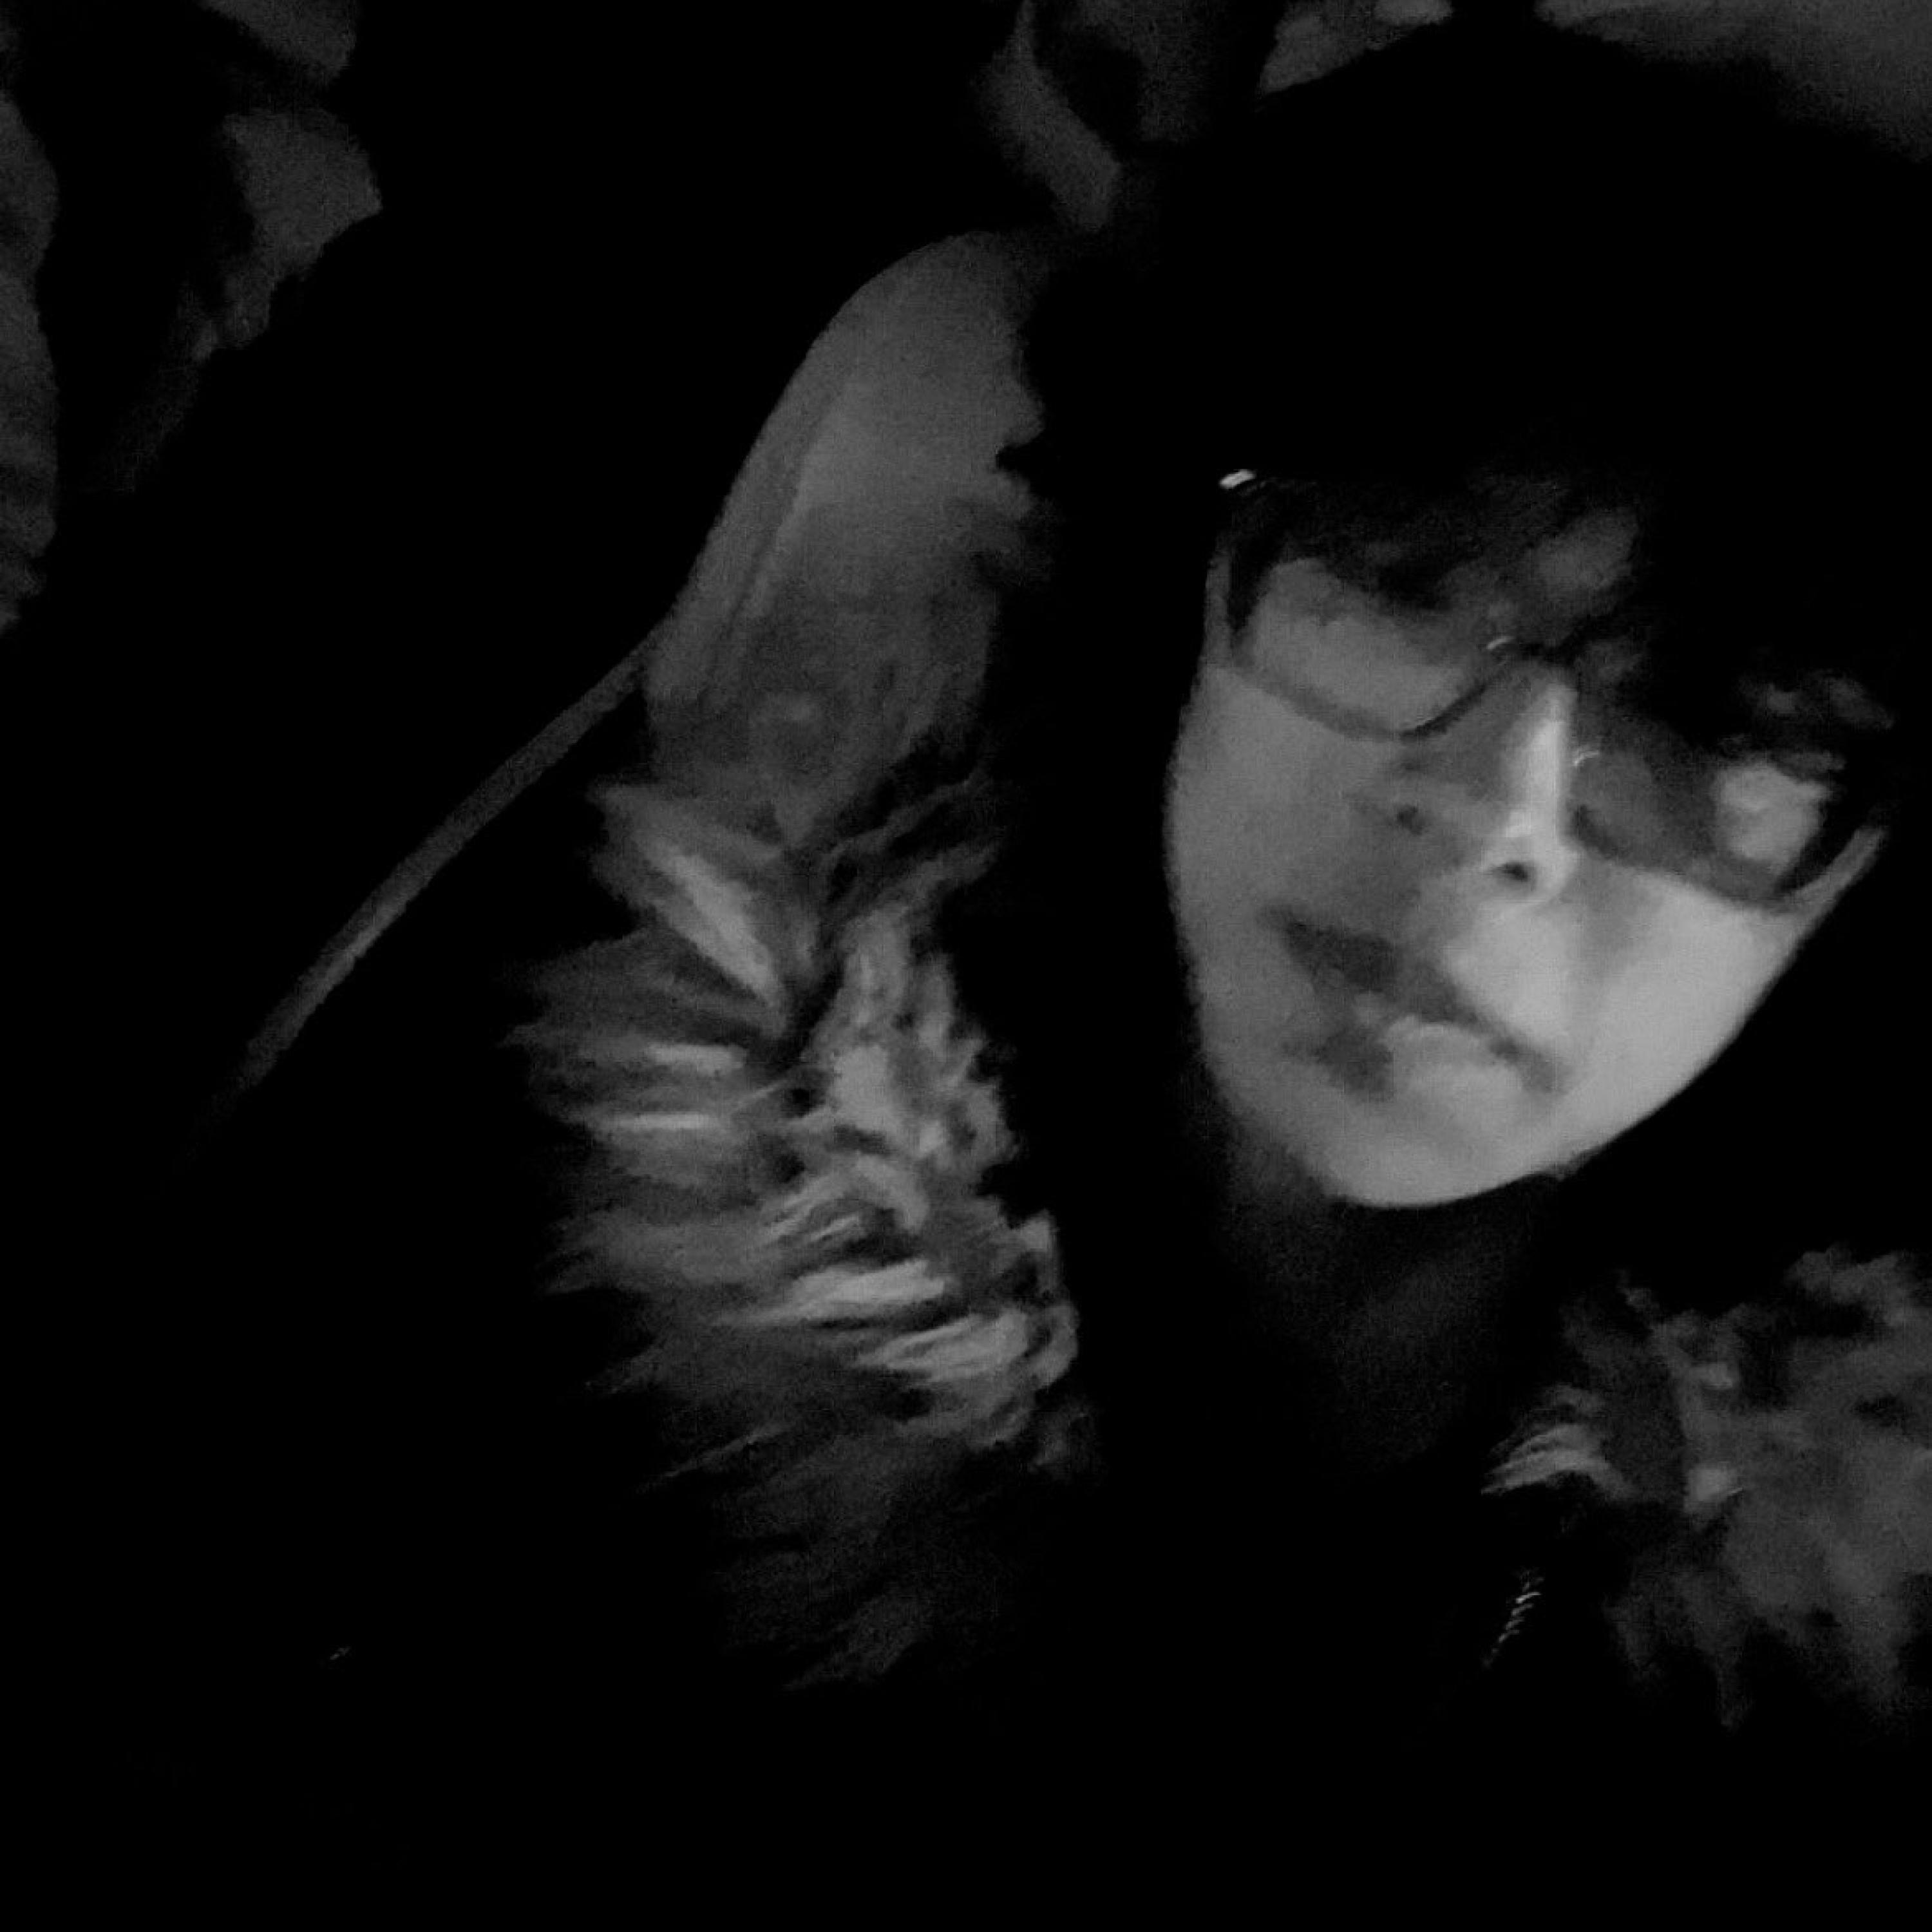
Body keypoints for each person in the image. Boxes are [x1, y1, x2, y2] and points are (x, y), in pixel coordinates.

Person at [511, 11, 1931, 1840]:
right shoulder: (599, 1217)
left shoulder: (1817, 1682)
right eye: (1399, 587)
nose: (1486, 814)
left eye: (1705, 725)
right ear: (1188, 583)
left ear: (1860, 884)